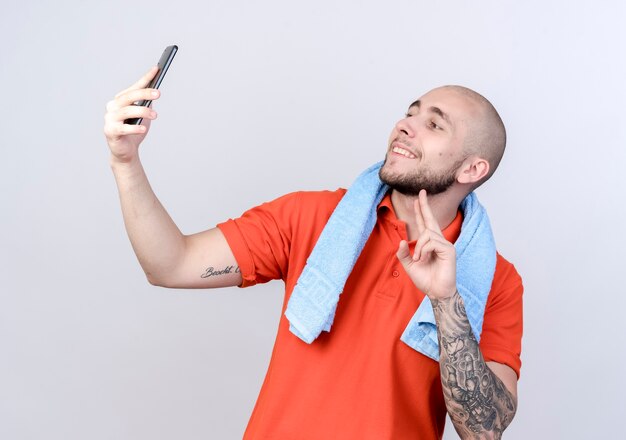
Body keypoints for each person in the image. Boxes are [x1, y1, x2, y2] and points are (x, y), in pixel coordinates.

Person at [104, 67, 523, 439]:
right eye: (411, 112)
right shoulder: (311, 217)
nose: (405, 125)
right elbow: (171, 265)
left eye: (434, 125)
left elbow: (484, 432)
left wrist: (447, 302)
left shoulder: (497, 280)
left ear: (472, 169)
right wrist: (126, 163)